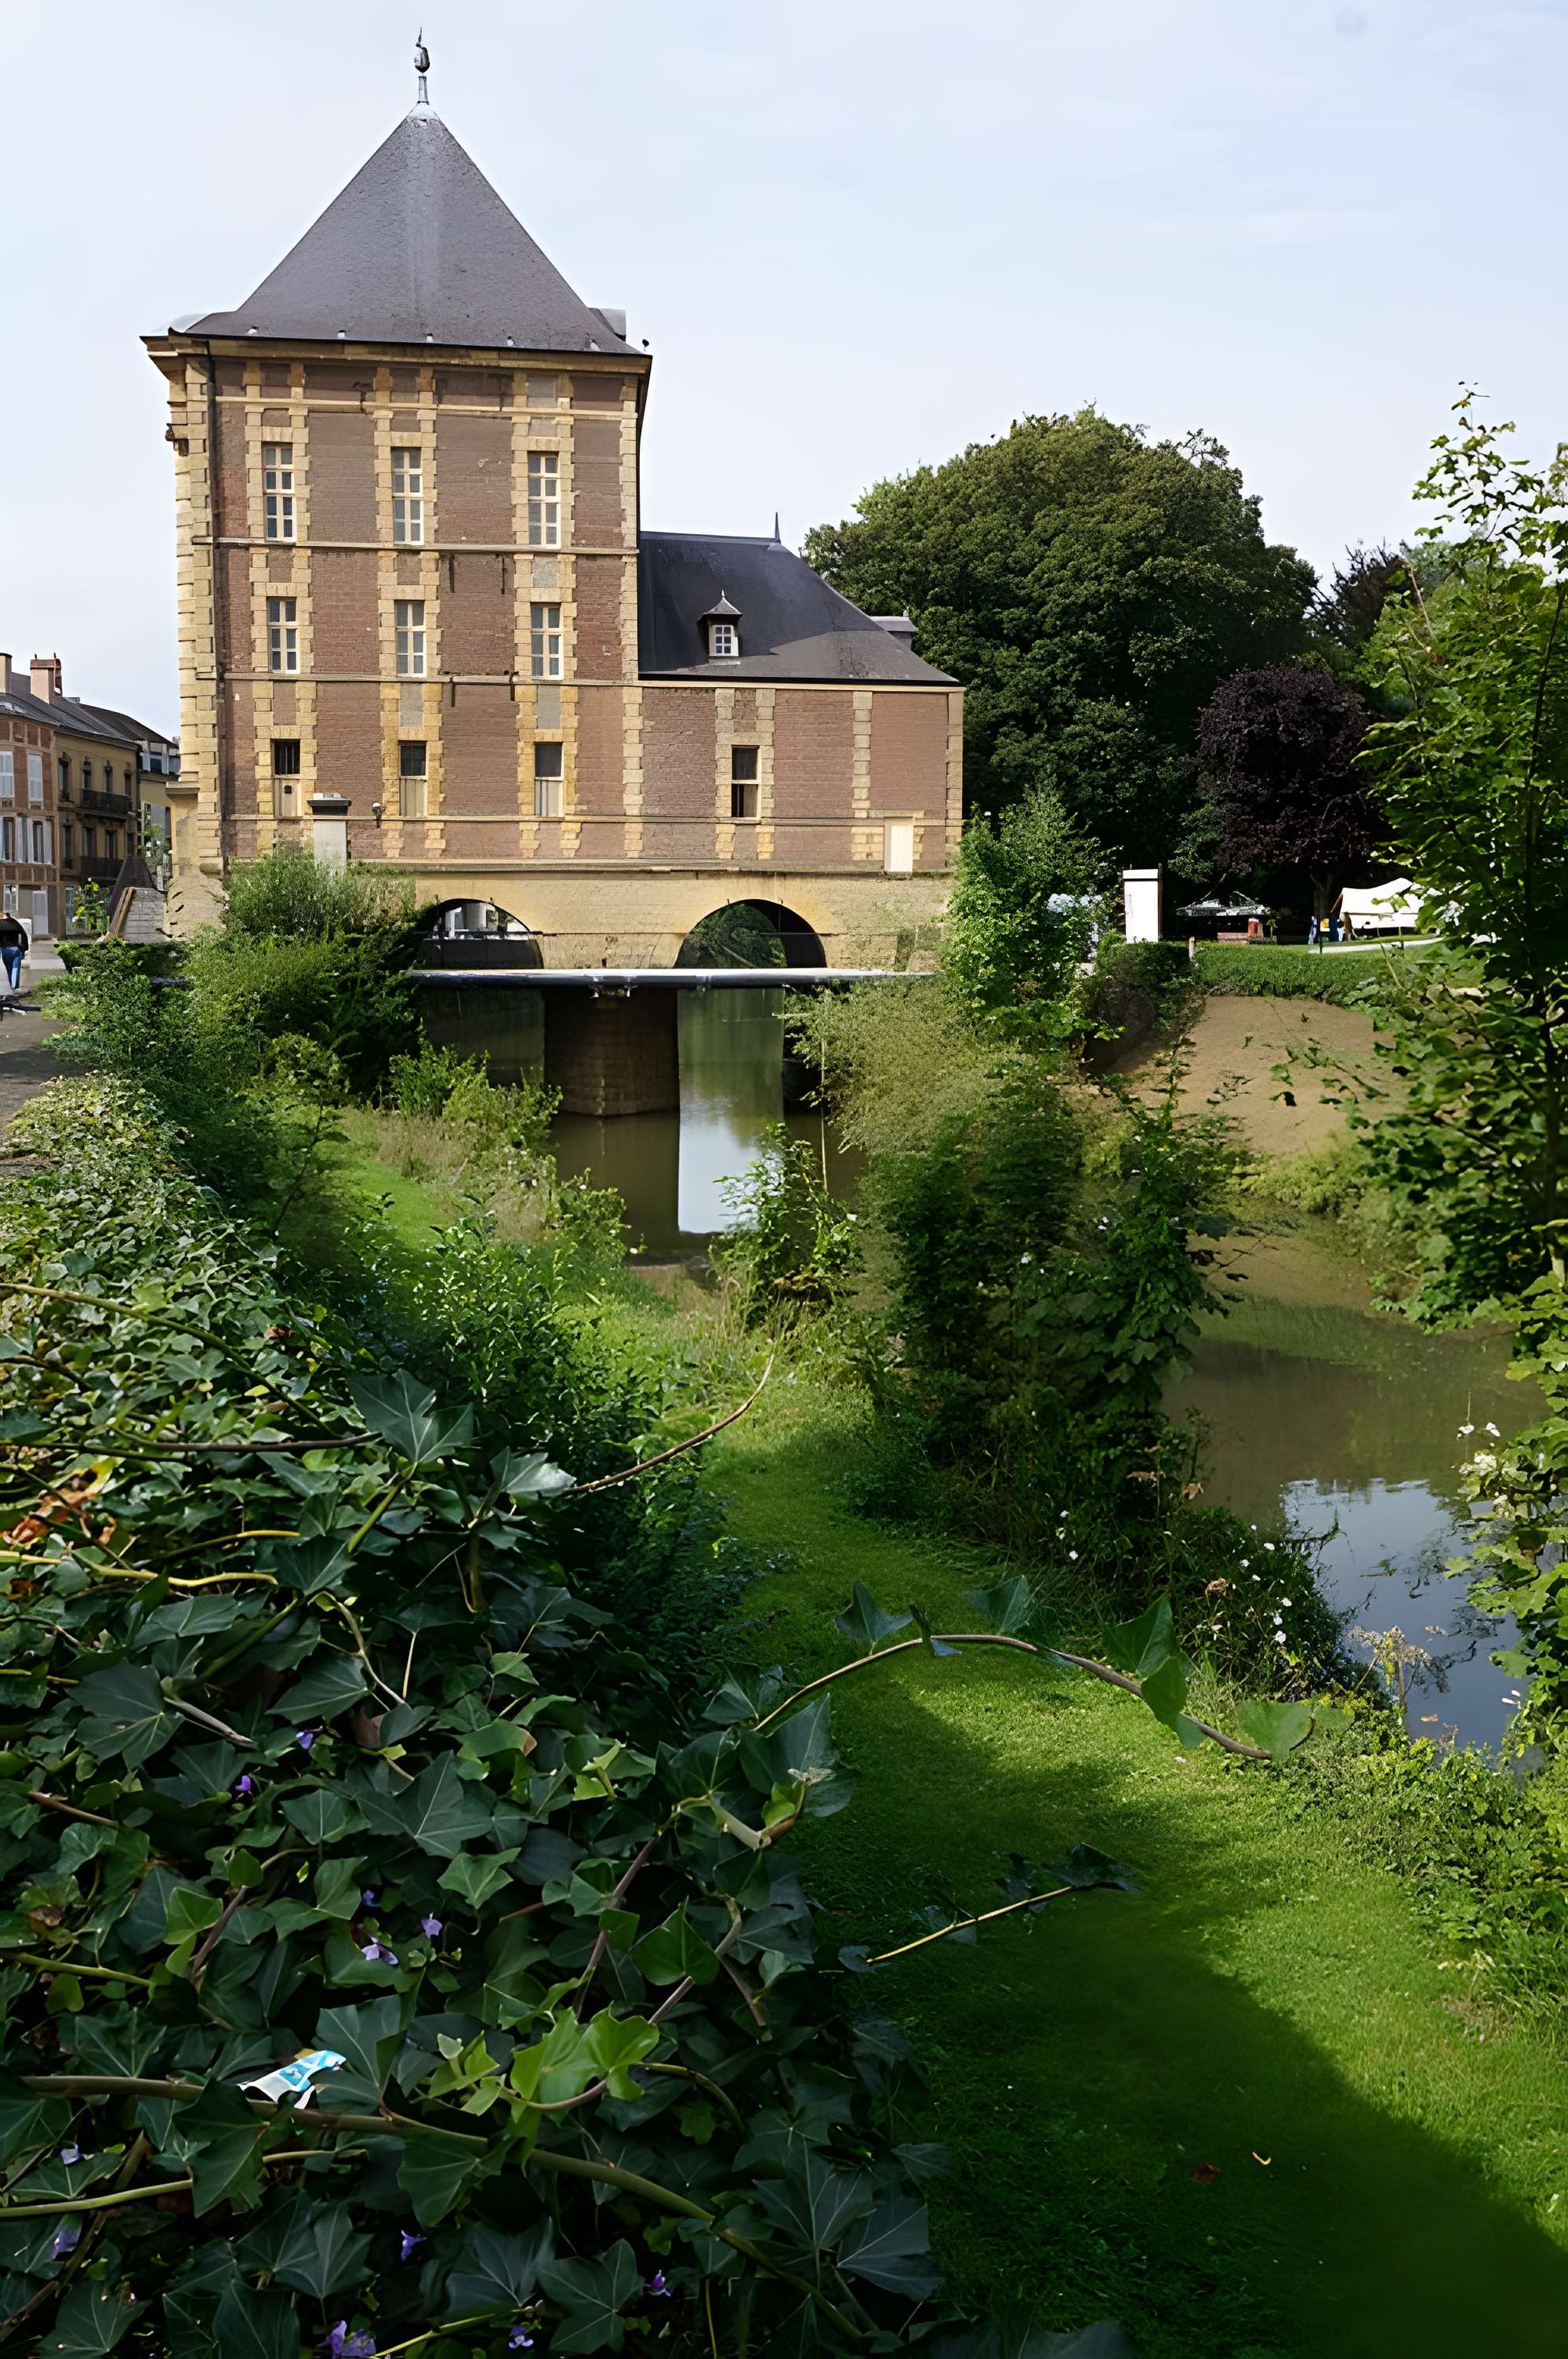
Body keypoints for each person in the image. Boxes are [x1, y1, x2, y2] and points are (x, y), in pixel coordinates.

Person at [0, 911, 27, 994]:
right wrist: (24, 947)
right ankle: (15, 988)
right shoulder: (15, 923)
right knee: (15, 968)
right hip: (15, 950)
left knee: (9, 969)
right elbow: (24, 934)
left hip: (4, 950)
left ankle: (13, 987)